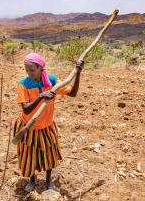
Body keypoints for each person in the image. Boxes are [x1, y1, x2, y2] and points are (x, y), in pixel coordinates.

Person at [14, 52, 84, 191]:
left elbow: (73, 93)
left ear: (41, 68)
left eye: (32, 70)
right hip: (29, 127)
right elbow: (26, 109)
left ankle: (48, 181)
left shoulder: (52, 81)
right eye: (26, 69)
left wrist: (78, 72)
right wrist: (41, 96)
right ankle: (32, 180)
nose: (29, 72)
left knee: (49, 155)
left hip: (47, 126)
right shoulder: (23, 84)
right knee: (30, 155)